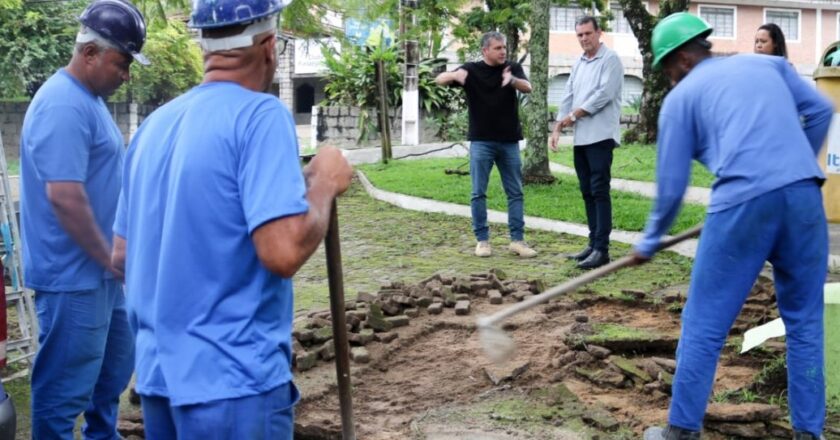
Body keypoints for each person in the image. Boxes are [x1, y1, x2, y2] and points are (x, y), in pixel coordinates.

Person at [111, 0, 353, 436]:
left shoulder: (153, 127)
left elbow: (121, 256)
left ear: (205, 46)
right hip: (233, 382)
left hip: (159, 381)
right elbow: (282, 252)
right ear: (268, 46)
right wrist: (324, 181)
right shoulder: (260, 117)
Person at [636, 12, 833, 440]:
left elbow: (671, 188)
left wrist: (650, 239)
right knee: (804, 322)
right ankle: (808, 434)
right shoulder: (769, 65)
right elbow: (820, 110)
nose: (667, 77)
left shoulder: (681, 99)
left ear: (683, 60)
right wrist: (794, 166)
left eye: (666, 67)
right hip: (803, 199)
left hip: (741, 201)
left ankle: (681, 431)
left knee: (705, 321)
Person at [19, 0, 148, 437]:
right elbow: (65, 197)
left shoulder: (89, 101)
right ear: (90, 53)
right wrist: (110, 256)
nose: (126, 74)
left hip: (102, 275)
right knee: (62, 396)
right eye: (122, 62)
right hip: (73, 277)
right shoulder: (62, 104)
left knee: (109, 381)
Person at [435, 31, 537, 259]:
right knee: (478, 193)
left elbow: (527, 87)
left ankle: (517, 241)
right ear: (485, 50)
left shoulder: (511, 68)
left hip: (509, 141)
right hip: (481, 141)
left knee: (515, 192)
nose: (503, 51)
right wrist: (454, 75)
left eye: (504, 48)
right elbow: (438, 79)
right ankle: (482, 241)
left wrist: (512, 81)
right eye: (498, 48)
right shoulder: (471, 70)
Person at [549, 16, 624, 270]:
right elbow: (568, 94)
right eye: (579, 35)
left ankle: (602, 250)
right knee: (587, 191)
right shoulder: (579, 63)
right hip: (581, 139)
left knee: (600, 191)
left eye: (588, 33)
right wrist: (558, 125)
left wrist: (573, 116)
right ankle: (592, 244)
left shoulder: (610, 59)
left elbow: (603, 95)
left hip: (601, 136)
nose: (584, 39)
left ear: (598, 33)